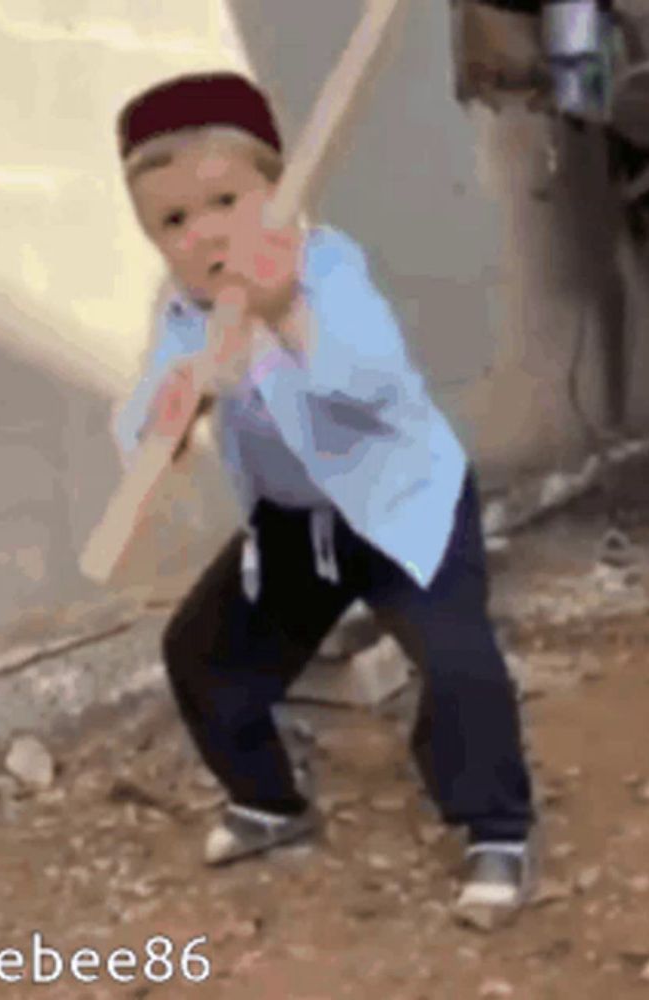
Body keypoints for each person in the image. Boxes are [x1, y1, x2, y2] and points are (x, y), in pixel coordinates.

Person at [111, 71, 536, 923]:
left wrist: (288, 313)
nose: (203, 236)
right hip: (298, 526)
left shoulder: (330, 270)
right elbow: (157, 404)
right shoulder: (185, 312)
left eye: (225, 200)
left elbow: (373, 385)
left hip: (400, 505)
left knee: (455, 665)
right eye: (173, 222)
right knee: (202, 651)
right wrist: (160, 417)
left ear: (279, 192)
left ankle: (496, 830)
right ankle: (269, 801)